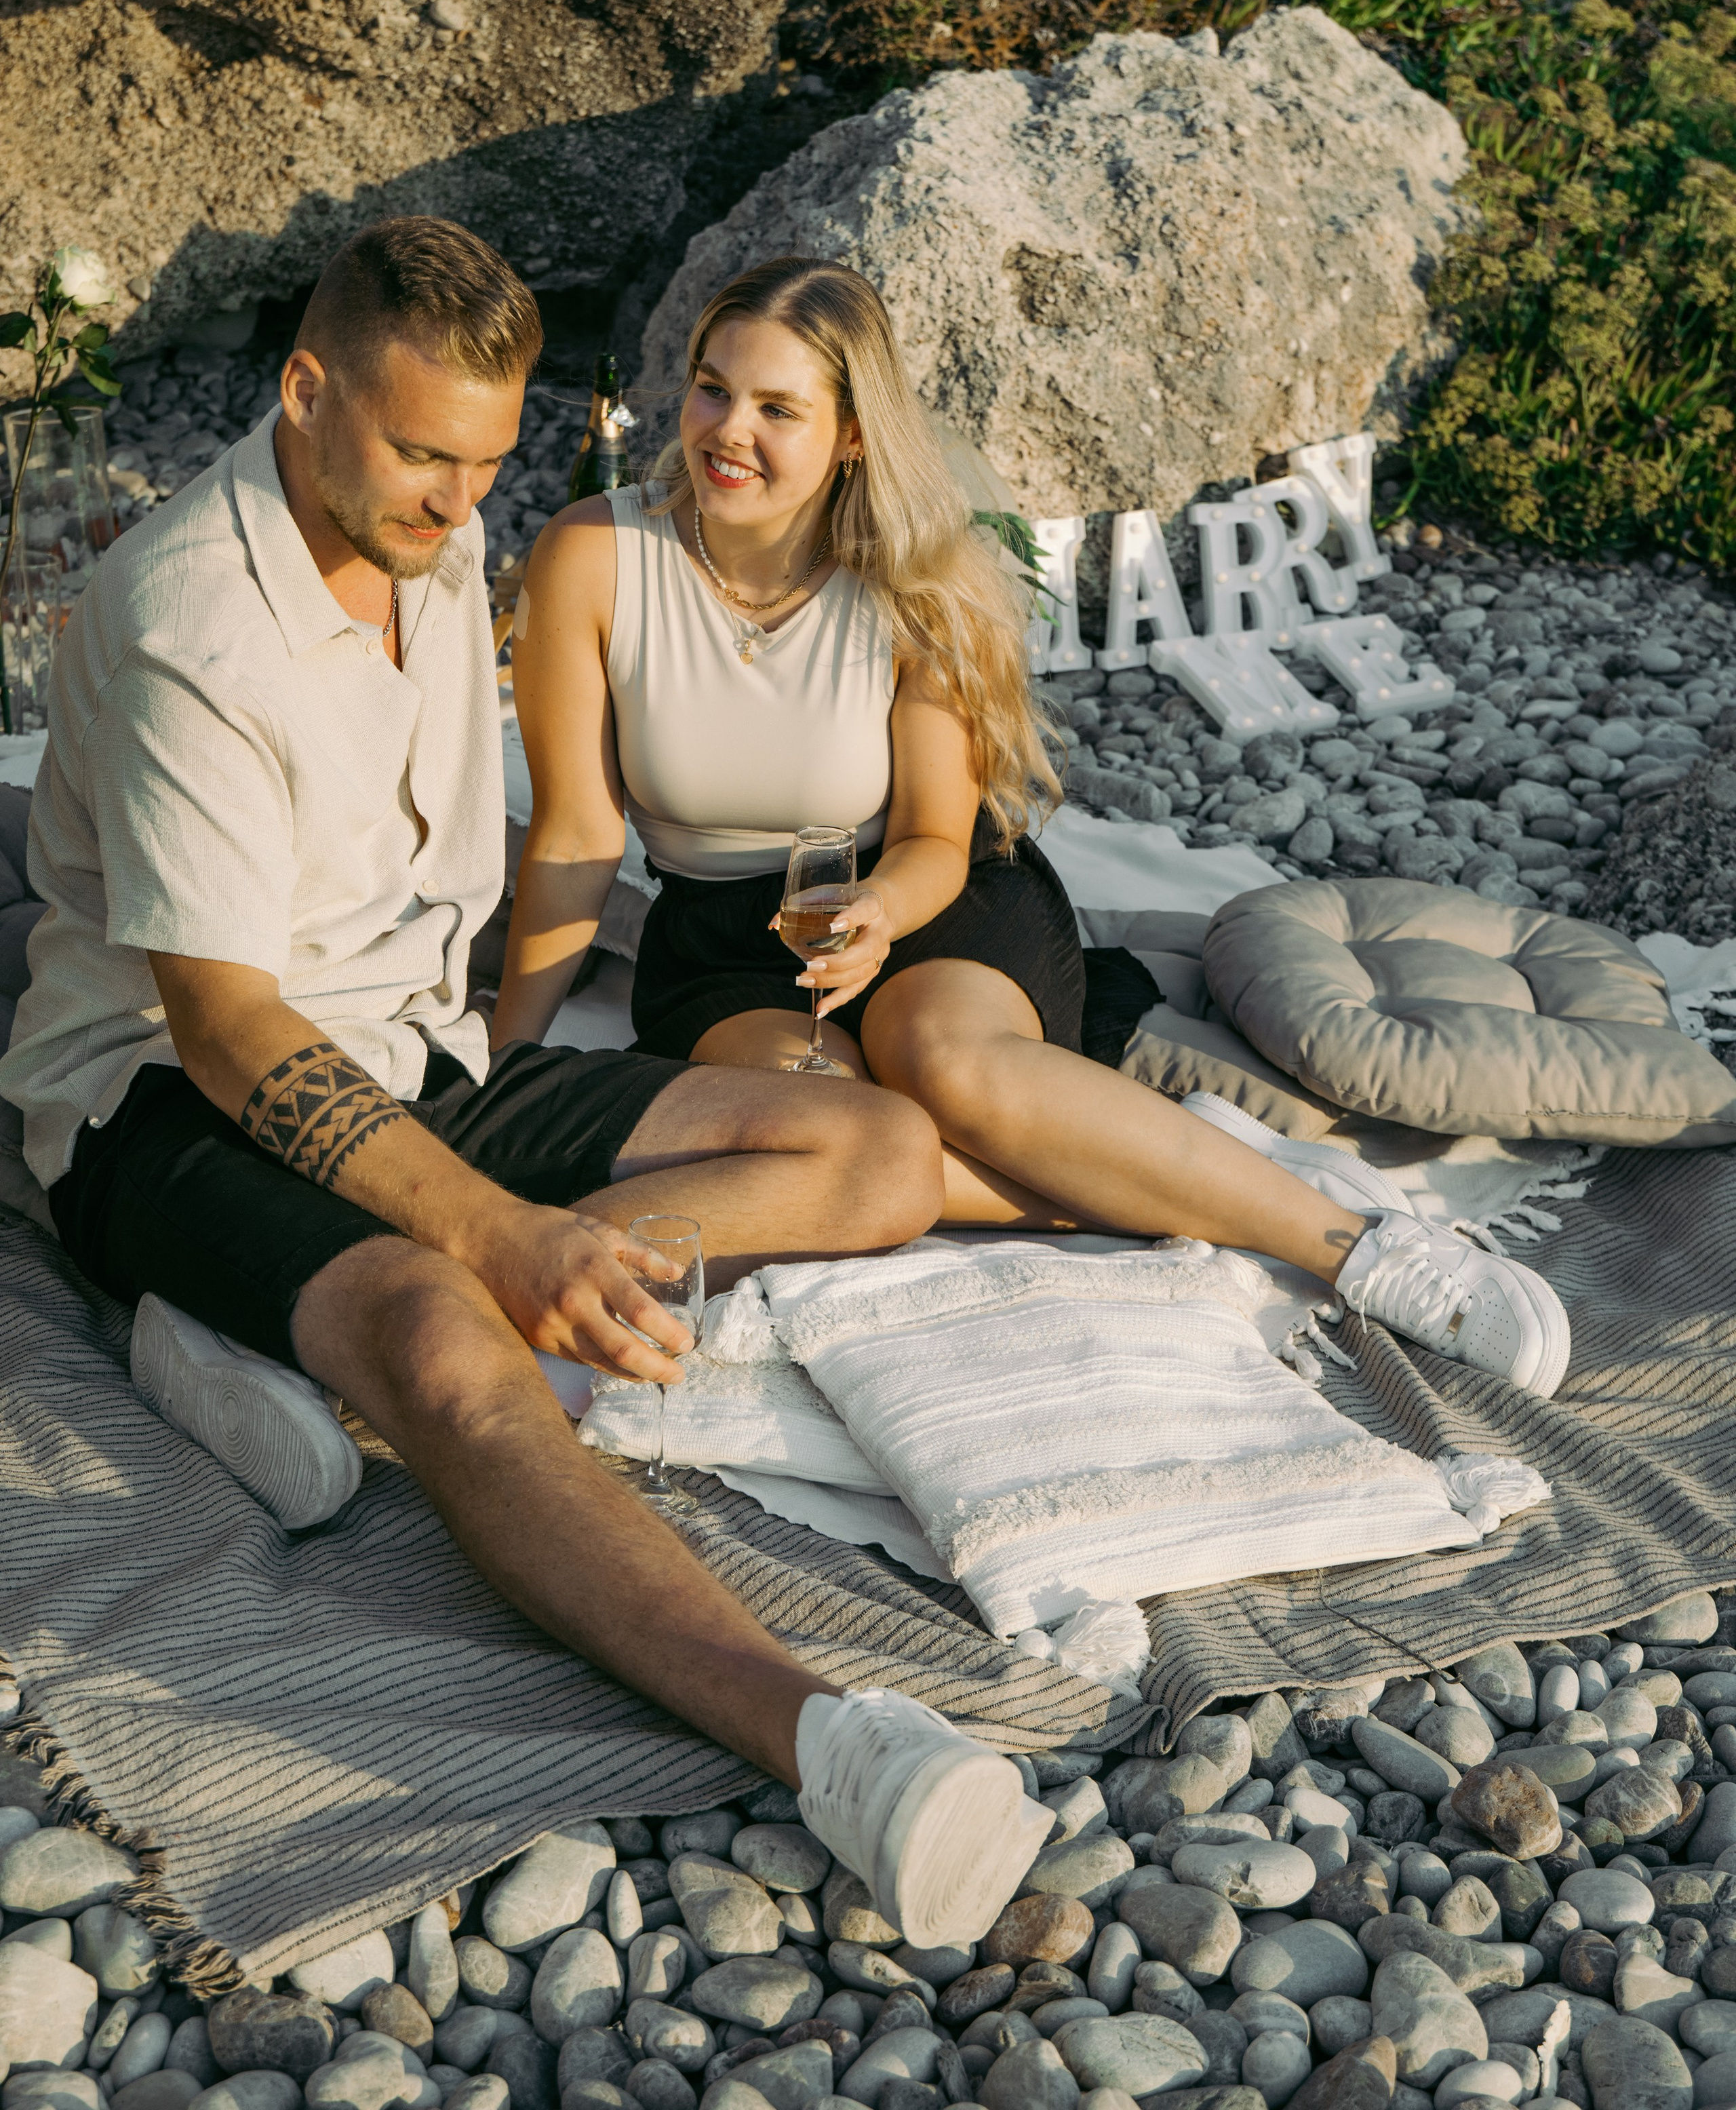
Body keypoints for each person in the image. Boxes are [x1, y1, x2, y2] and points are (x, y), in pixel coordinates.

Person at [0, 217, 1058, 1946]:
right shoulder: (192, 621)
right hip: (164, 1098)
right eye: (422, 453)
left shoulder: (436, 518)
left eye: (485, 462)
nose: (453, 504)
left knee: (868, 1151)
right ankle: (837, 1745)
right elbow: (228, 1032)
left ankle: (275, 1315)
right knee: (442, 1325)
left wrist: (507, 1099)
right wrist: (495, 1240)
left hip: (407, 1051)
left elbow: (515, 850)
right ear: (305, 389)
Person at [494, 253, 1573, 1399]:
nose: (727, 432)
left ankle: (1353, 1245)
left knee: (947, 1069)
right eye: (712, 388)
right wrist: (506, 1062)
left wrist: (878, 914)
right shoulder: (595, 557)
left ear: (852, 434)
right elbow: (572, 836)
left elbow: (933, 842)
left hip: (929, 898)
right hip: (723, 942)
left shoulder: (915, 574)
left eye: (778, 408)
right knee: (837, 1137)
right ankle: (1173, 1161)